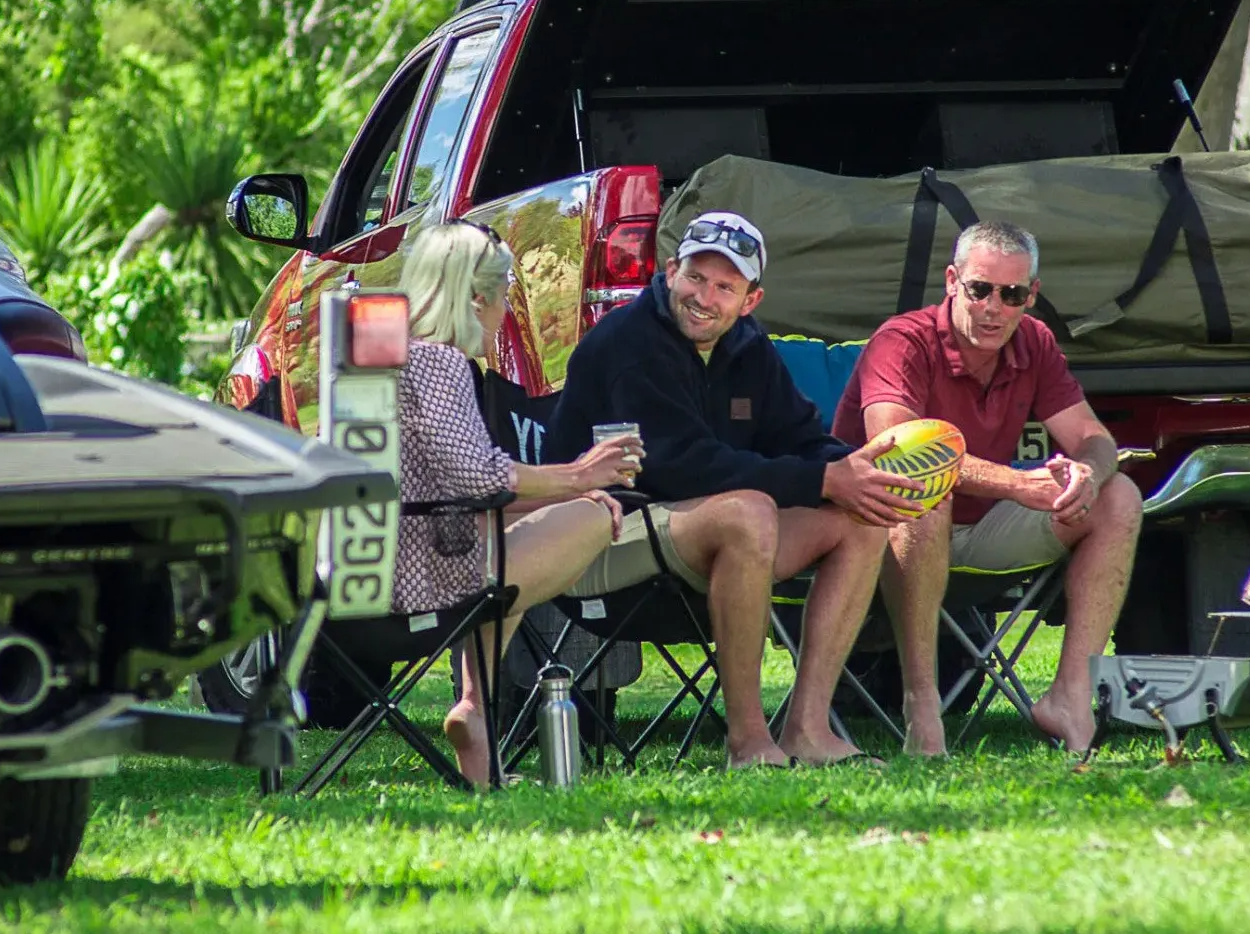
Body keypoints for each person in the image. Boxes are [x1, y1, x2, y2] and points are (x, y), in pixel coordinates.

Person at [545, 211, 922, 770]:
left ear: (750, 300)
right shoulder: (629, 340)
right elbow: (678, 467)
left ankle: (807, 729)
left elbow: (797, 437)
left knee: (861, 517)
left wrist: (855, 471)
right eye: (696, 277)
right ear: (670, 271)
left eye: (726, 286)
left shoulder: (747, 347)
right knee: (748, 512)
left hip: (691, 536)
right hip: (598, 537)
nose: (705, 297)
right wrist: (823, 479)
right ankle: (749, 743)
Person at [831, 219, 1142, 756]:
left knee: (1120, 497)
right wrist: (1018, 484)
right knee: (924, 497)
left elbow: (1094, 437)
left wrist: (1088, 471)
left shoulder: (1035, 342)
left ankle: (1070, 696)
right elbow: (898, 450)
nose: (995, 307)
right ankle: (922, 704)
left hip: (981, 530)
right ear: (952, 281)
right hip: (871, 535)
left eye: (1012, 293)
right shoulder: (901, 340)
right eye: (980, 289)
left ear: (1031, 295)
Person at [392, 220, 647, 787]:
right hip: (423, 579)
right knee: (587, 516)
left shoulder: (398, 359)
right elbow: (478, 476)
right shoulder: (438, 362)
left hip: (404, 555)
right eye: (504, 296)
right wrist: (580, 478)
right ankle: (474, 707)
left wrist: (552, 495)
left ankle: (476, 714)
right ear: (476, 298)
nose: (505, 313)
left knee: (525, 534)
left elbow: (451, 493)